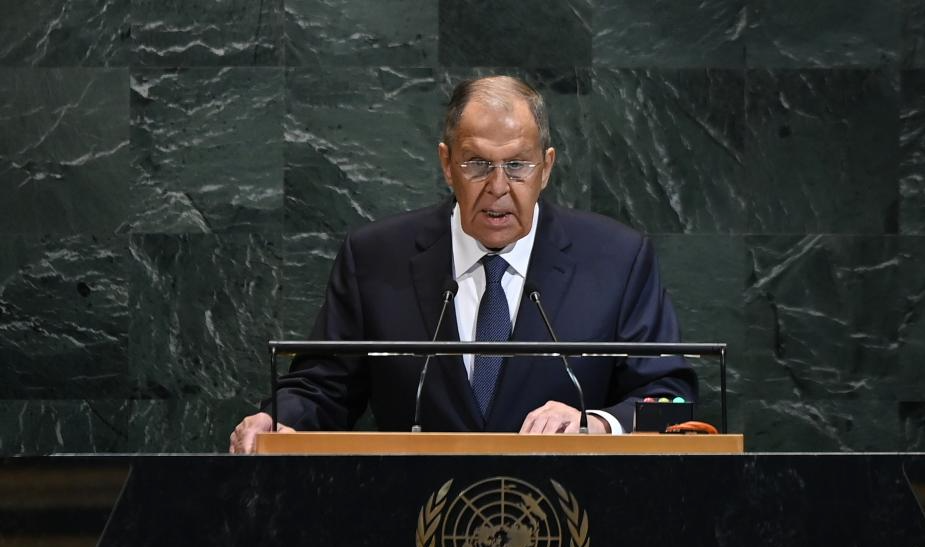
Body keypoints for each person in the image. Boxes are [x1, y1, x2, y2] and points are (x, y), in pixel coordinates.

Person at [229, 75, 696, 453]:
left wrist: (597, 424)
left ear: (547, 167)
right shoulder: (376, 257)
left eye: (518, 165)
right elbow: (323, 387)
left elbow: (672, 399)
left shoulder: (616, 259)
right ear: (447, 164)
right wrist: (277, 420)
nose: (498, 187)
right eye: (477, 164)